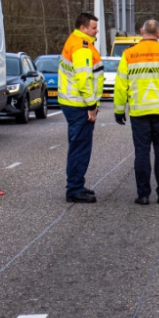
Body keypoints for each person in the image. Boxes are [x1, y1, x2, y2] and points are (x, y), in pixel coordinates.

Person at [112, 20, 159, 205]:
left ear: (141, 32)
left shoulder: (129, 54)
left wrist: (119, 109)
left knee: (142, 153)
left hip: (139, 112)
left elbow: (121, 85)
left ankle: (143, 195)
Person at [59, 12, 103, 203]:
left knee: (78, 146)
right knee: (80, 148)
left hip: (73, 102)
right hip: (79, 104)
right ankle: (75, 189)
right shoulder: (82, 47)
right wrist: (92, 105)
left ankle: (76, 184)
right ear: (83, 28)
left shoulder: (76, 41)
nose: (97, 30)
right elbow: (83, 78)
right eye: (94, 27)